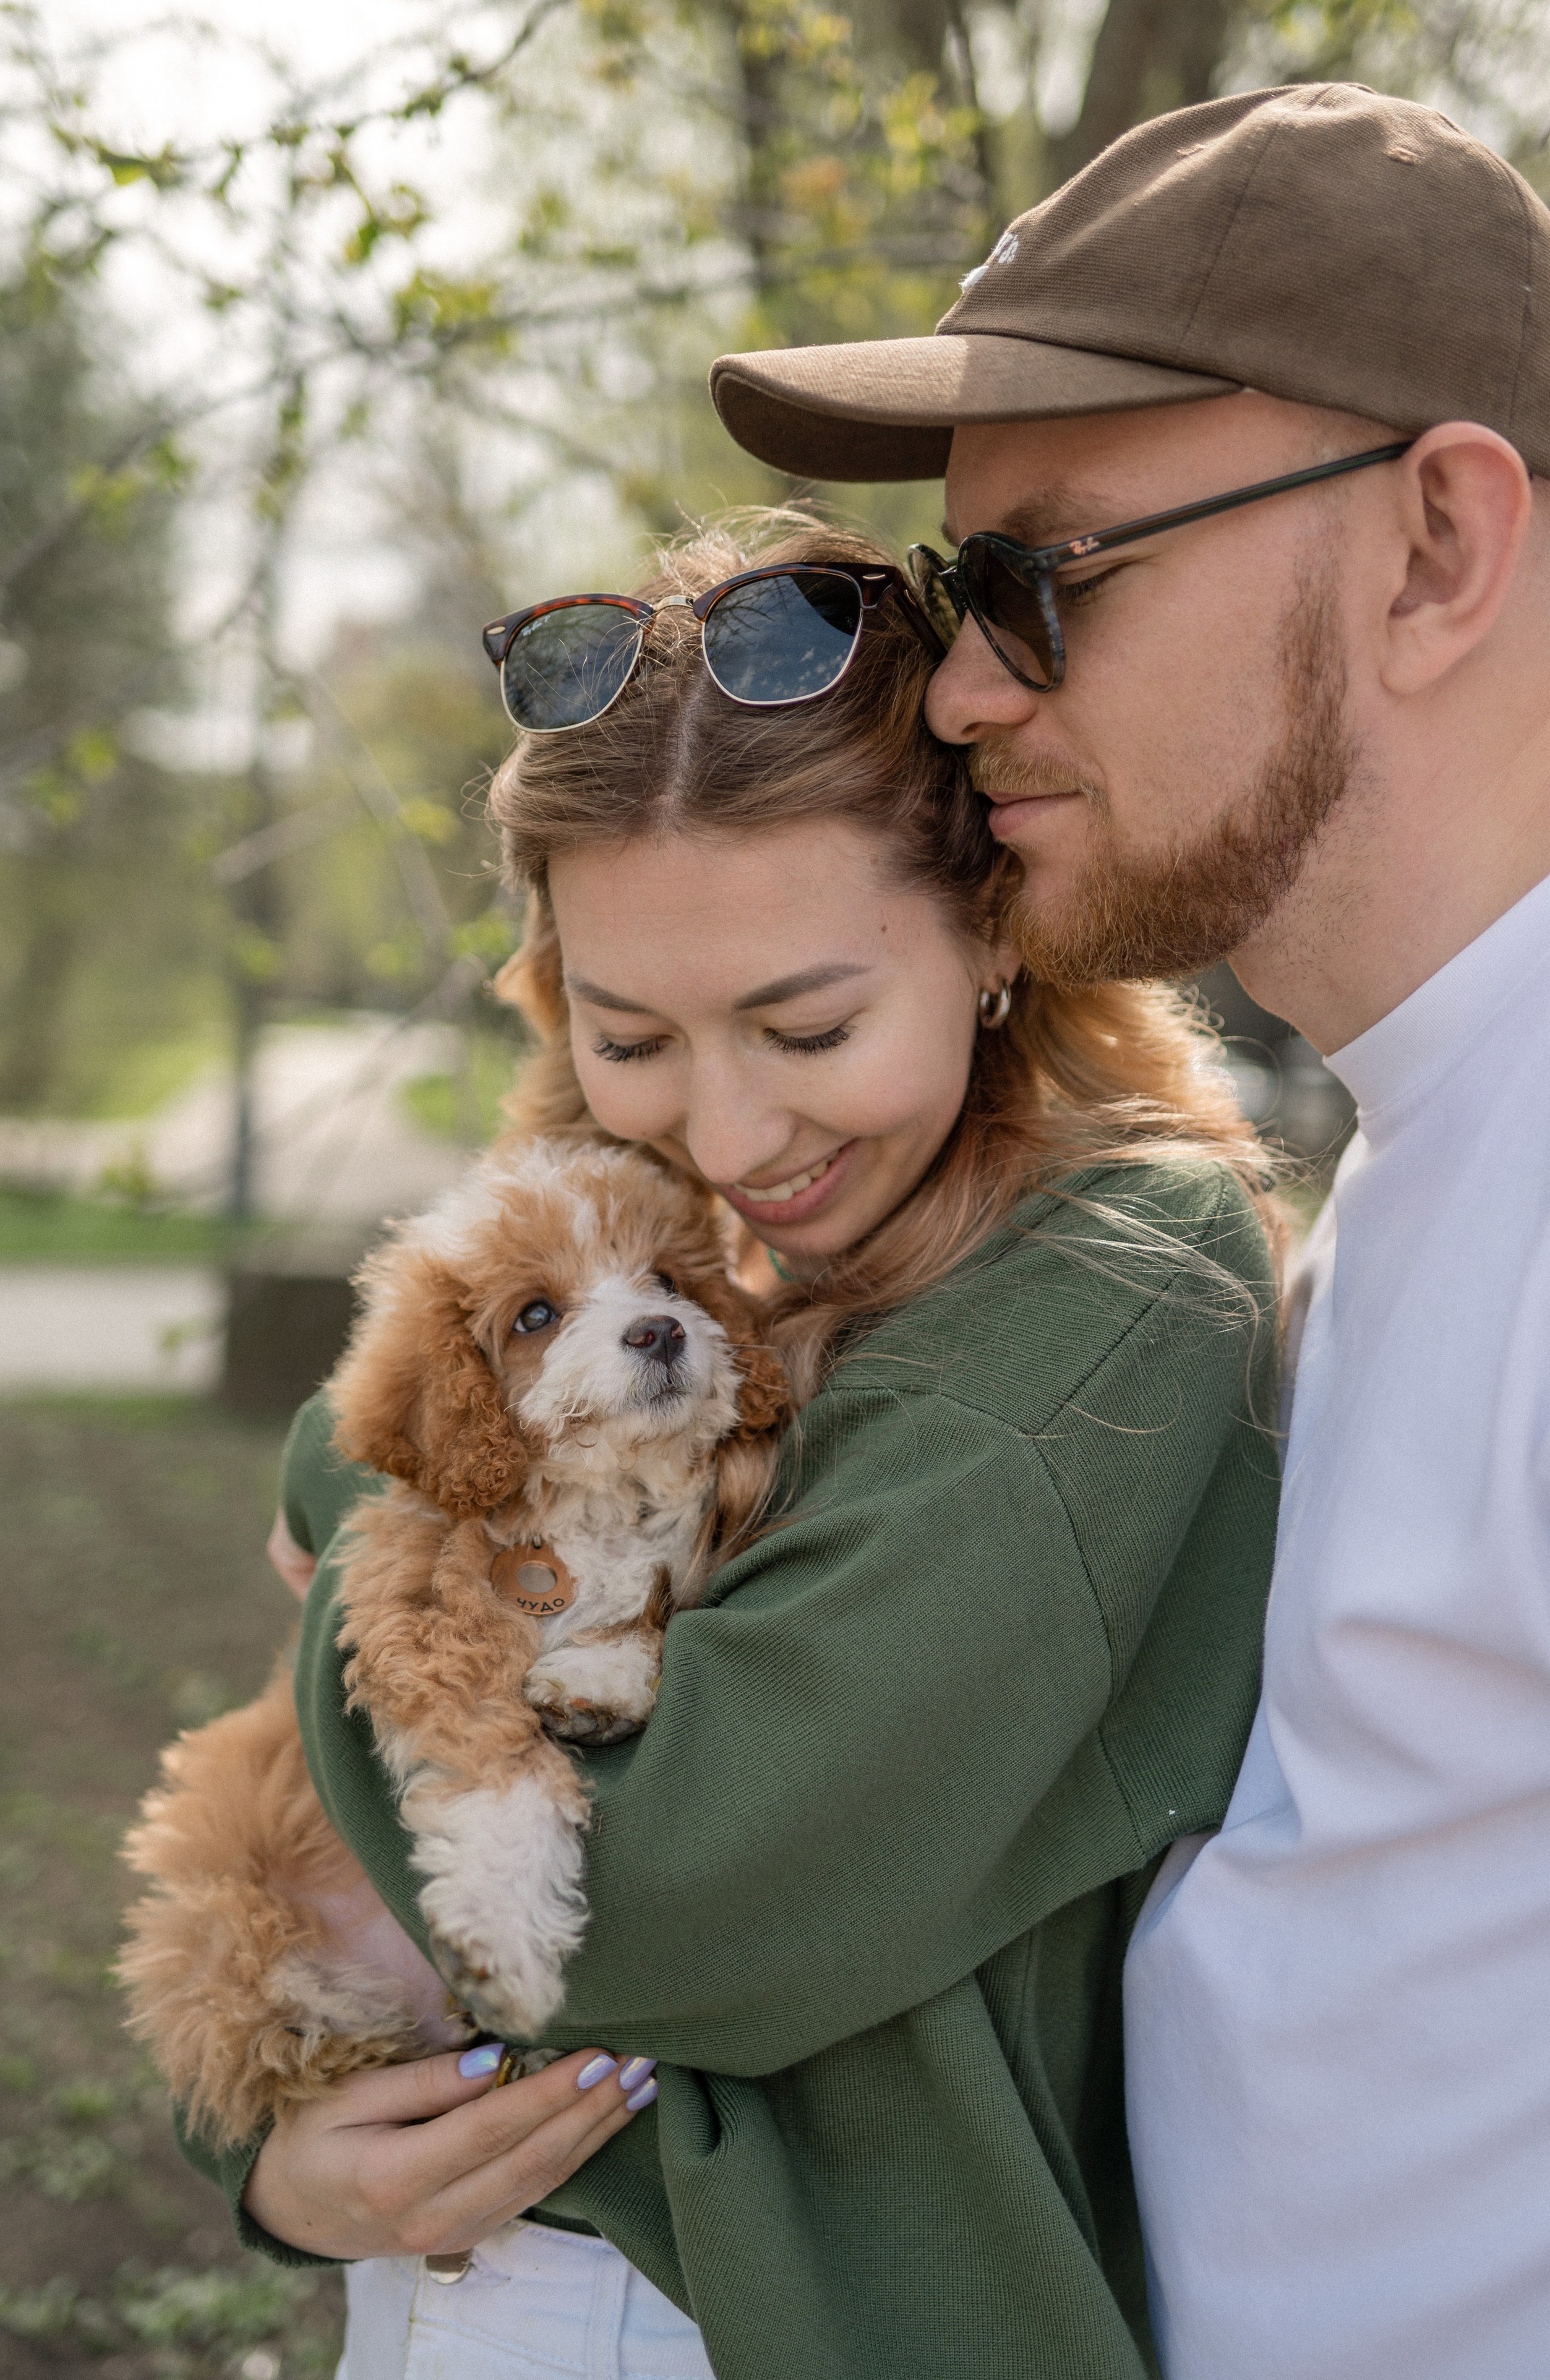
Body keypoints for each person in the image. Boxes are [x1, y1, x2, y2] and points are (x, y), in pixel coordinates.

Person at [179, 513, 1280, 2380]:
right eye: (633, 1036)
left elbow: (665, 1893)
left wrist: (346, 1504)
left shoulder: (1118, 1286)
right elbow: (289, 1827)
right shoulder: (650, 1241)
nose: (729, 1128)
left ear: (996, 932)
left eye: (808, 1021)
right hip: (465, 2271)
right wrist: (273, 2162)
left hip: (759, 2310)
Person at [706, 79, 1550, 2380]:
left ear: (1437, 550)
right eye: (951, 599)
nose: (966, 690)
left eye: (1042, 580)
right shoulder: (1422, 1132)